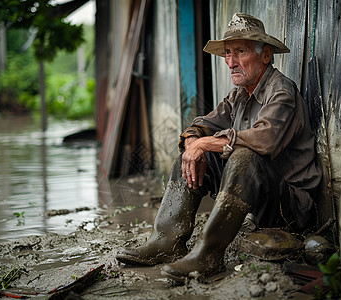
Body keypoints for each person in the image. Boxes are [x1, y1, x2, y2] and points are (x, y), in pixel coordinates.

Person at [116, 13, 321, 282]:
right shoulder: (239, 94)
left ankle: (208, 255)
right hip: (258, 195)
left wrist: (205, 143)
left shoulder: (281, 91)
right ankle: (167, 242)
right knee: (188, 157)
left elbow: (265, 141)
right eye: (227, 53)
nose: (231, 62)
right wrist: (193, 144)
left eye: (240, 52)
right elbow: (203, 124)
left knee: (244, 155)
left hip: (291, 206)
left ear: (265, 55)